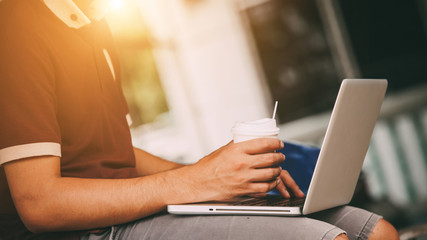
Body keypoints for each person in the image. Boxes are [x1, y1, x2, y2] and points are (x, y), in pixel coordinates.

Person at [0, 0, 399, 239]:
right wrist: (196, 182)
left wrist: (219, 179)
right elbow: (39, 204)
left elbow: (118, 152)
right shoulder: (16, 26)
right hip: (85, 231)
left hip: (134, 212)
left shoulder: (95, 24)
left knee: (379, 232)